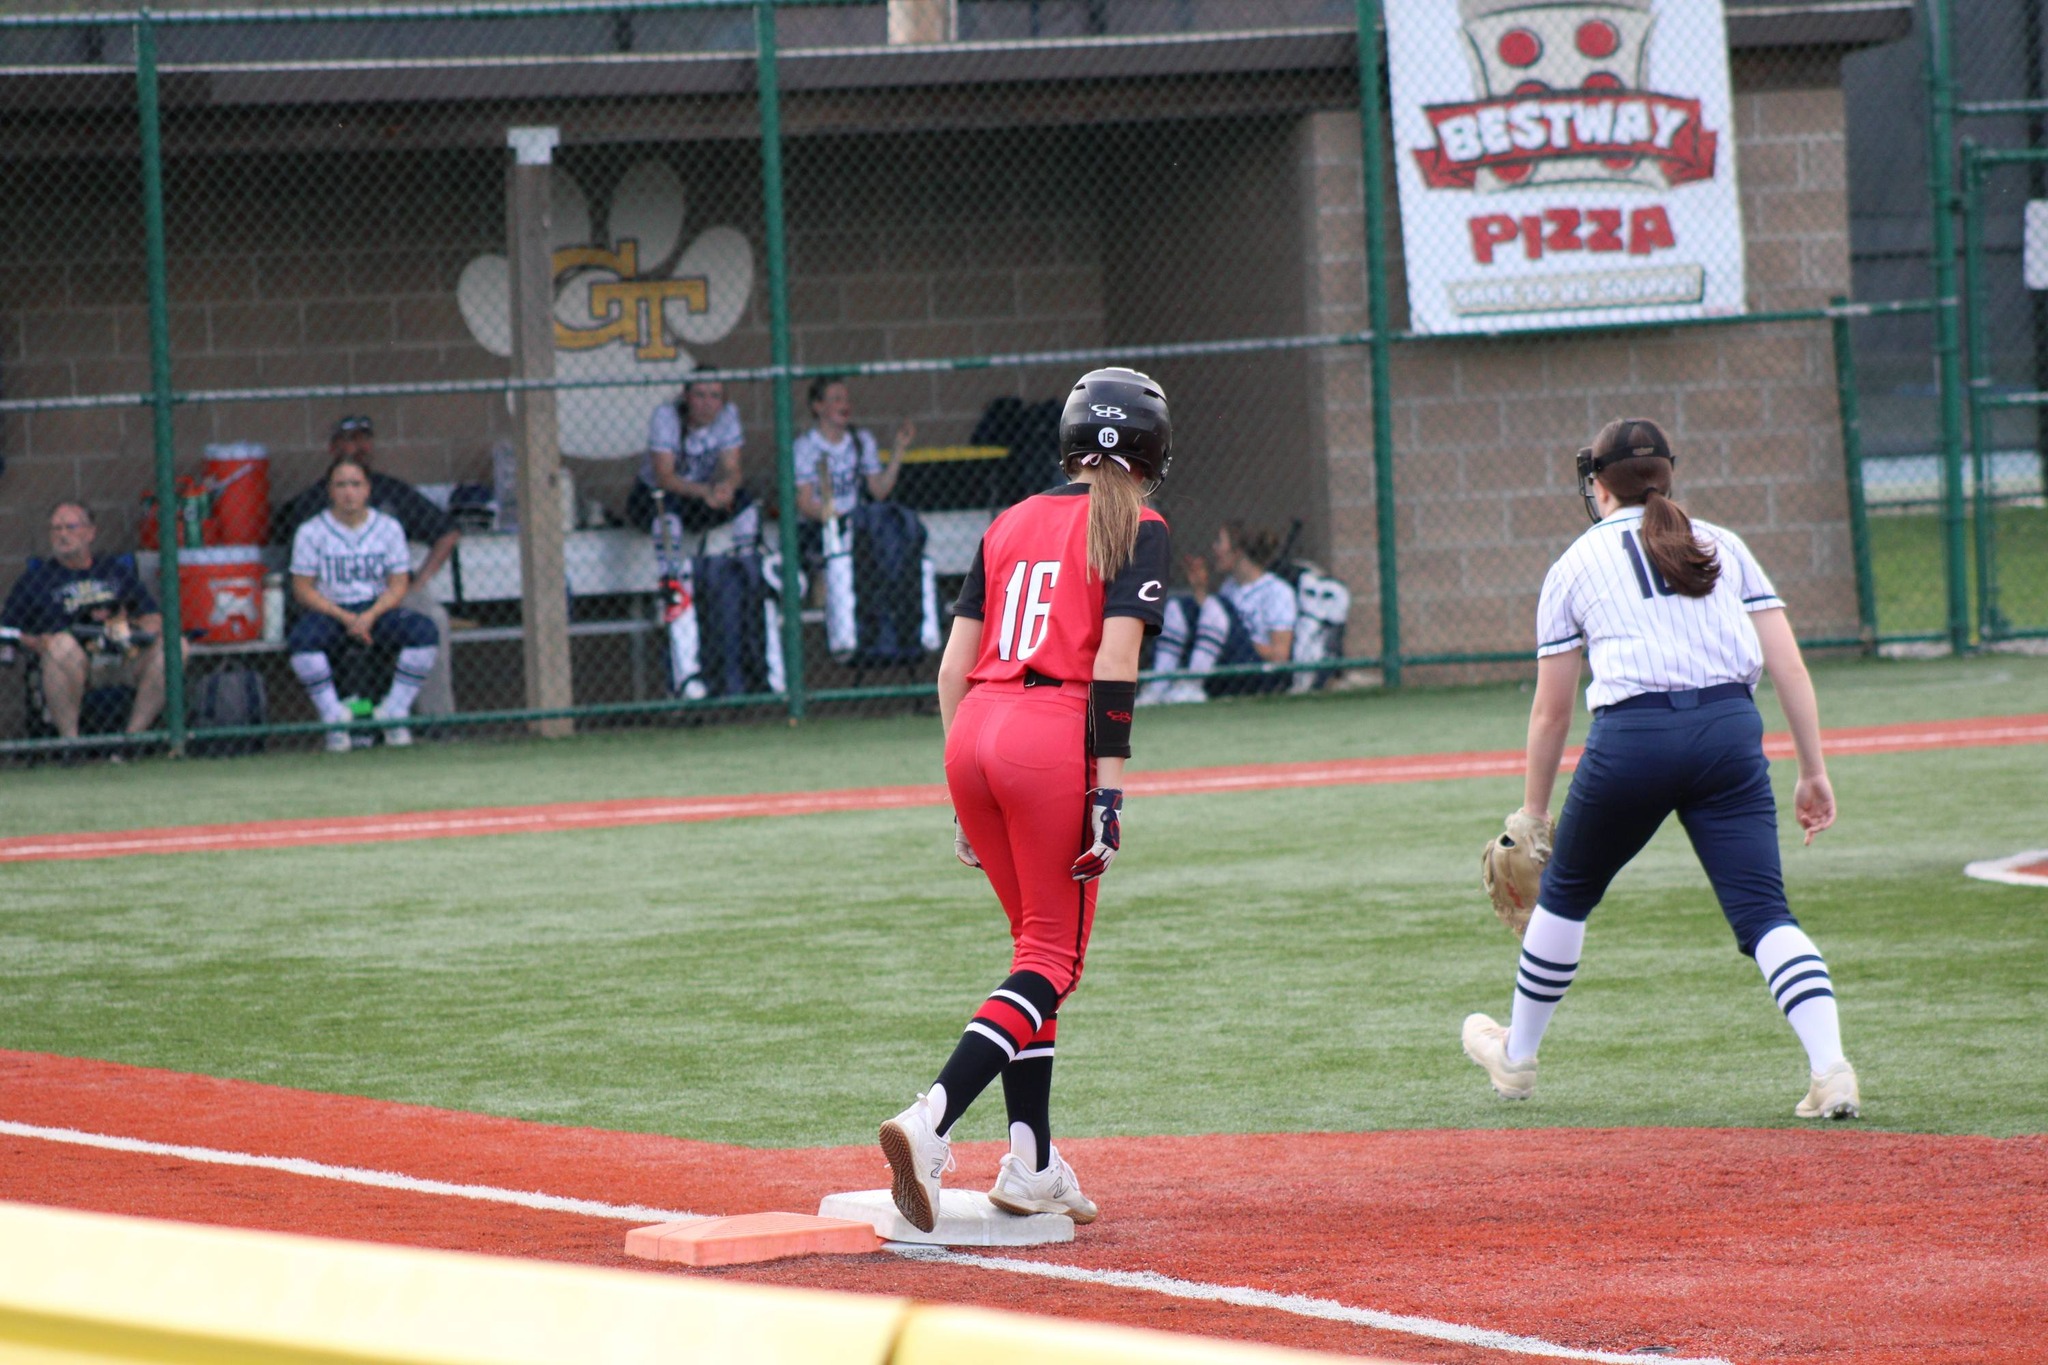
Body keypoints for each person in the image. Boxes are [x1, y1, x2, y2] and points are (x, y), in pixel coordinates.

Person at [1460, 417, 1858, 1120]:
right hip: (1730, 734)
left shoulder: (1574, 562)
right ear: (1668, 475)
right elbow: (1788, 667)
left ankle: (1516, 1059)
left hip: (1633, 738)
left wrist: (1532, 812)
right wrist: (1812, 769)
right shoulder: (1722, 543)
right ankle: (1832, 1070)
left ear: (1598, 484)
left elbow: (1551, 712)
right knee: (1765, 914)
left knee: (1566, 896)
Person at [877, 367, 1173, 1234]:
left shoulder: (1008, 520)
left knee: (1032, 955)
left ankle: (1032, 1163)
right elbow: (1114, 665)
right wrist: (1108, 790)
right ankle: (930, 1120)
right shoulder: (1142, 526)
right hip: (1050, 739)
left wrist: (962, 791)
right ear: (1152, 452)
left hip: (974, 730)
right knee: (1053, 961)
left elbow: (951, 668)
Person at [275, 416, 458, 716]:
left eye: (364, 438)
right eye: (350, 439)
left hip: (390, 593)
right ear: (333, 447)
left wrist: (418, 583)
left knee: (433, 619)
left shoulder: (391, 491)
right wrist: (344, 612)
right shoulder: (310, 504)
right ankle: (338, 716)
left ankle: (436, 719)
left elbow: (447, 533)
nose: (359, 446)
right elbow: (301, 579)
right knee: (307, 635)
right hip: (333, 598)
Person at [287, 458, 441, 752]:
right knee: (302, 641)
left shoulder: (388, 527)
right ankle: (334, 717)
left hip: (377, 608)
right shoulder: (311, 531)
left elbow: (398, 584)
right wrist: (346, 617)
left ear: (368, 489)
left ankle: (394, 711)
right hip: (332, 610)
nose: (349, 492)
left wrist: (370, 615)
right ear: (330, 490)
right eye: (341, 485)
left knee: (424, 632)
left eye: (356, 484)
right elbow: (302, 589)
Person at [2, 501, 180, 744]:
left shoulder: (114, 571)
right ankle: (71, 743)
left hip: (122, 655)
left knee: (176, 648)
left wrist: (138, 630)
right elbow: (7, 630)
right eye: (56, 529)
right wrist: (38, 643)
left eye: (70, 527)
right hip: (72, 662)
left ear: (90, 533)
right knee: (61, 645)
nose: (62, 535)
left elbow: (152, 616)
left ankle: (133, 738)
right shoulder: (36, 579)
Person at [1139, 521, 1296, 704]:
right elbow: (1214, 621)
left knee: (1215, 606)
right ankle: (1158, 687)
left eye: (1220, 542)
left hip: (1259, 672)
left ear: (1238, 552)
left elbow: (1280, 656)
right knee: (1178, 606)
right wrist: (1199, 589)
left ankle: (1192, 685)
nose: (1214, 548)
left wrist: (1238, 636)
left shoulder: (1277, 590)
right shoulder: (1229, 587)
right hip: (1226, 667)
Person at [627, 376, 760, 546]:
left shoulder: (727, 414)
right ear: (686, 397)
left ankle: (747, 556)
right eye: (700, 395)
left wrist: (726, 488)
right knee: (668, 507)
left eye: (715, 396)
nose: (707, 403)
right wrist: (706, 491)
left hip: (699, 498)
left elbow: (733, 470)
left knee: (744, 500)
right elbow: (664, 478)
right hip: (653, 497)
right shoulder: (666, 415)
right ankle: (670, 563)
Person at [792, 375, 911, 525]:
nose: (845, 405)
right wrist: (836, 519)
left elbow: (879, 491)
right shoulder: (805, 446)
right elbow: (805, 503)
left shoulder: (861, 440)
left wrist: (899, 449)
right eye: (837, 399)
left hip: (856, 524)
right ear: (818, 406)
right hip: (820, 525)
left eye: (846, 400)